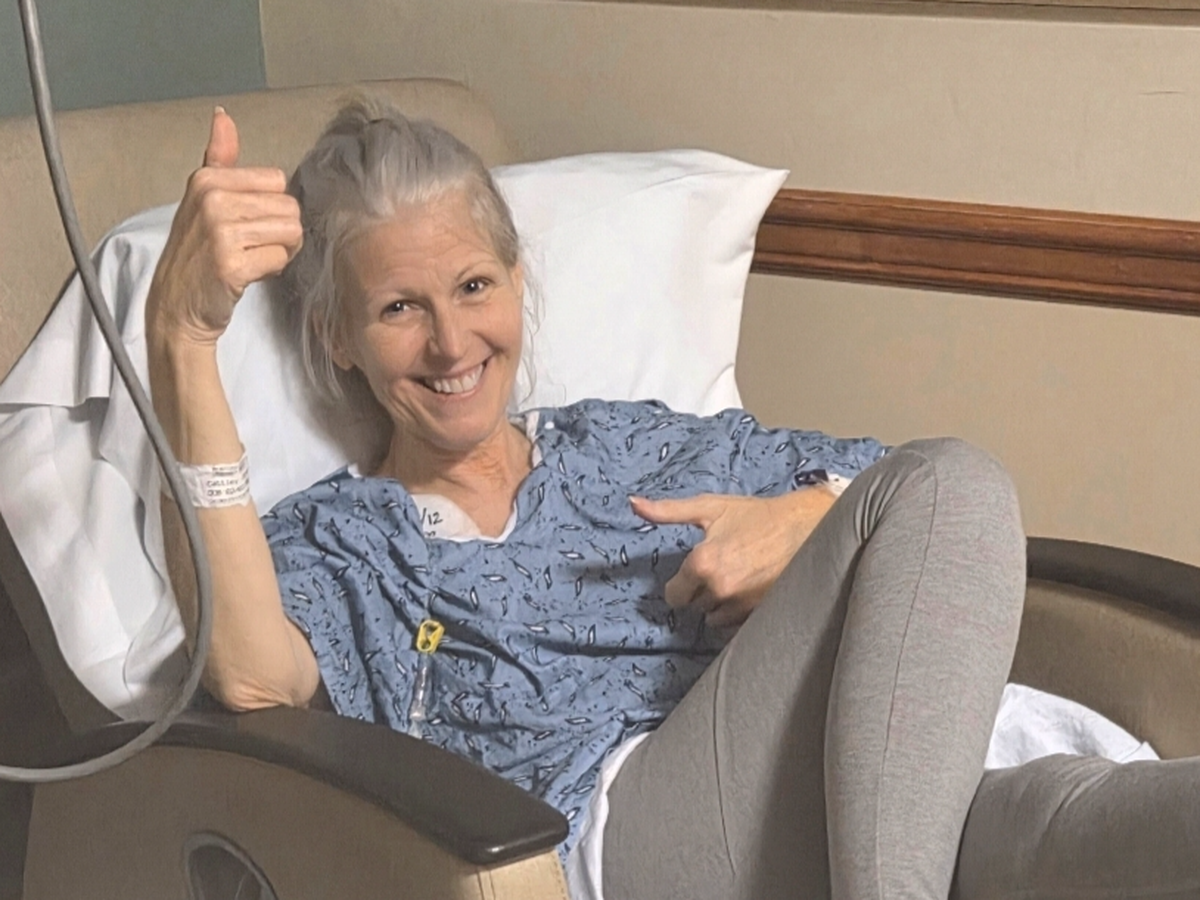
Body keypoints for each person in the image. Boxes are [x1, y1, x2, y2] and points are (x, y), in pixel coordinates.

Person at [147, 99, 1198, 900]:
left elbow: (903, 504)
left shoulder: (622, 443)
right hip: (631, 833)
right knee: (953, 478)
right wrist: (183, 339)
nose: (452, 342)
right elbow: (248, 673)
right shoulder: (346, 541)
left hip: (839, 788)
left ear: (516, 281)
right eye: (397, 309)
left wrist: (802, 522)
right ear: (337, 338)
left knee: (1044, 824)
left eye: (472, 287)